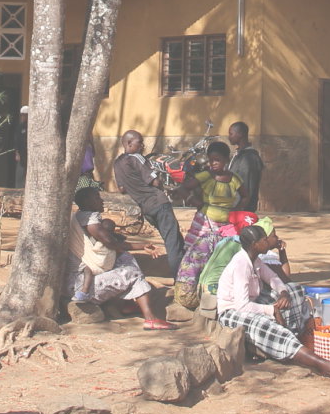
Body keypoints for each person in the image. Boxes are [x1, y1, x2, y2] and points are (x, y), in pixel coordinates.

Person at [215, 225, 330, 378]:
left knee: (294, 290)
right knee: (266, 325)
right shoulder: (241, 264)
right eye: (264, 240)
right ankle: (324, 365)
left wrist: (283, 293)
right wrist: (271, 310)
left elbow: (272, 278)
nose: (267, 242)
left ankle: (299, 337)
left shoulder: (255, 260)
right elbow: (242, 306)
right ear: (254, 245)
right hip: (232, 312)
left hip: (252, 303)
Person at [69, 187, 178, 330]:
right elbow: (110, 242)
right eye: (97, 198)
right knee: (133, 272)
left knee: (124, 258)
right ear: (87, 202)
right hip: (84, 287)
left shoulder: (78, 217)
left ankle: (126, 304)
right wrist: (141, 245)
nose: (102, 201)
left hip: (73, 284)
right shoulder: (90, 219)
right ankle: (150, 319)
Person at [173, 142, 243, 301]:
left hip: (226, 225)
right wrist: (196, 202)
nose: (213, 164)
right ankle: (189, 286)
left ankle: (214, 287)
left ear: (226, 159)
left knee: (220, 255)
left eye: (217, 160)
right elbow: (183, 188)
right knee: (196, 253)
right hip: (204, 221)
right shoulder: (205, 176)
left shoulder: (234, 179)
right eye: (211, 160)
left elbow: (245, 195)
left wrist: (236, 211)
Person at [110, 130, 185, 270]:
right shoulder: (137, 157)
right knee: (173, 242)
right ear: (129, 143)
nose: (142, 145)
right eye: (140, 142)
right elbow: (155, 182)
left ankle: (186, 272)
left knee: (176, 240)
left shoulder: (117, 163)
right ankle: (180, 277)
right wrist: (162, 183)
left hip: (146, 209)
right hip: (158, 203)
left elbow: (122, 188)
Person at [227, 122, 265, 212]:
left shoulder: (249, 158)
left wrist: (238, 208)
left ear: (240, 134)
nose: (229, 137)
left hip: (242, 209)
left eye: (231, 134)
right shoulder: (239, 155)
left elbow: (247, 186)